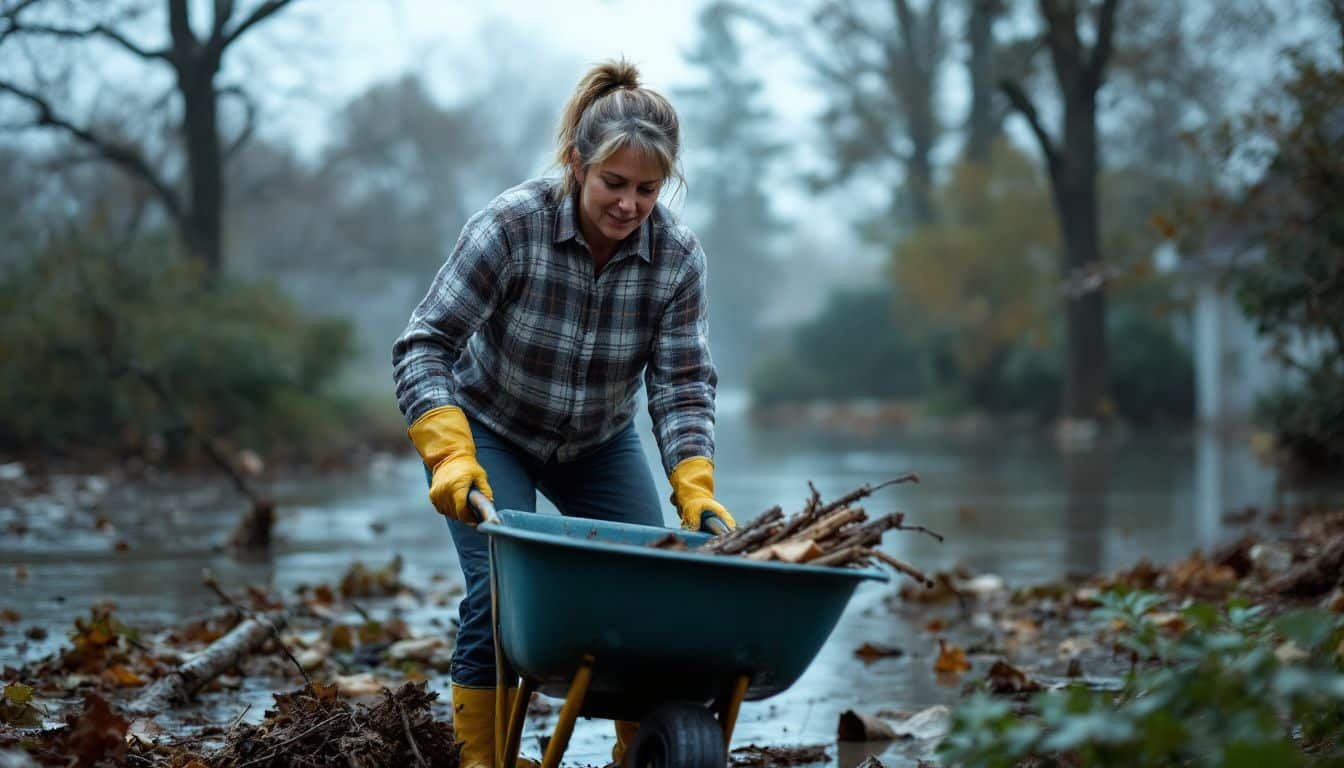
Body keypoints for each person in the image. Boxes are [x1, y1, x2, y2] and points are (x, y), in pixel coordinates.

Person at [391, 58, 735, 768]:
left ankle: (642, 754)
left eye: (647, 189)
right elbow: (424, 345)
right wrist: (451, 453)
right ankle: (483, 762)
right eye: (614, 183)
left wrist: (695, 487)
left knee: (652, 596)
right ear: (578, 164)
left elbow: (680, 385)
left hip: (599, 443)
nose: (628, 205)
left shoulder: (677, 259)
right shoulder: (512, 225)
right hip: (492, 429)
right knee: (499, 592)